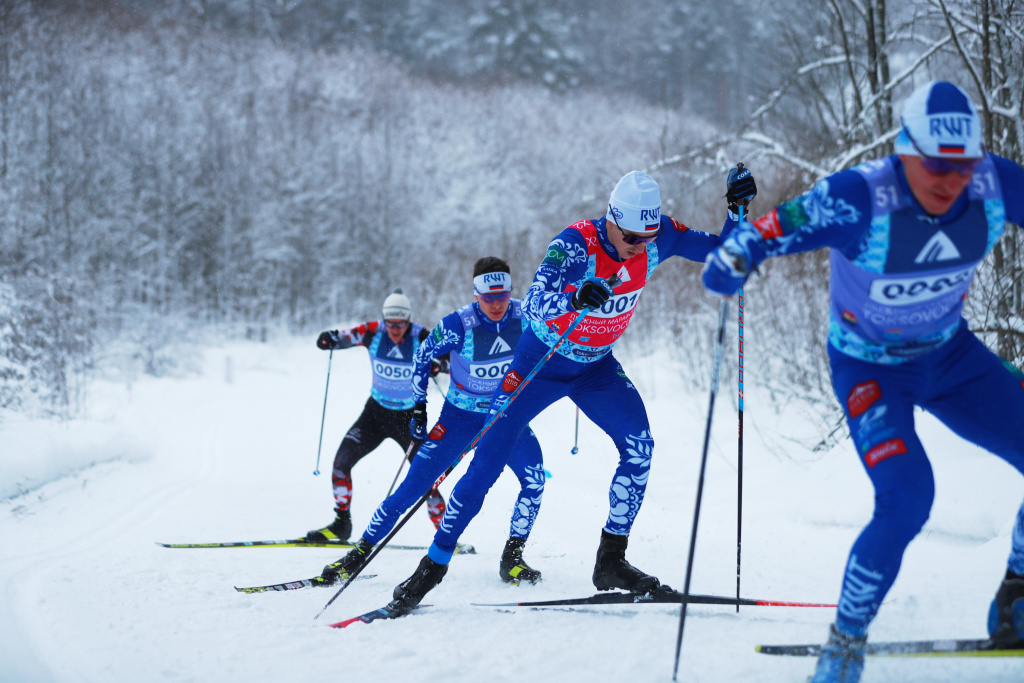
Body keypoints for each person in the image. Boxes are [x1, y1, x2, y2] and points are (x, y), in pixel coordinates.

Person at [701, 81, 1024, 683]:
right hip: (871, 368)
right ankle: (843, 647)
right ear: (905, 150)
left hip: (952, 358)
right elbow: (772, 229)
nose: (950, 180)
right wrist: (737, 252)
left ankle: (1017, 593)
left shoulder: (995, 186)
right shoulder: (861, 198)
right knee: (908, 497)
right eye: (934, 164)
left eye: (963, 166)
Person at [379, 170, 723, 614]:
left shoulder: (657, 238)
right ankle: (432, 567)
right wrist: (576, 297)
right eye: (632, 236)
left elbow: (725, 249)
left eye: (648, 236)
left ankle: (611, 561)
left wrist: (736, 213)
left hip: (595, 369)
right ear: (612, 219)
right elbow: (539, 299)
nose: (640, 246)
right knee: (484, 468)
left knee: (639, 447)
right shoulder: (574, 243)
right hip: (538, 365)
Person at [320, 257, 548, 585]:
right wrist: (419, 407)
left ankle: (512, 557)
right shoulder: (459, 324)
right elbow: (423, 356)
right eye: (488, 298)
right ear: (475, 295)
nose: (497, 304)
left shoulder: (527, 314)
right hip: (459, 419)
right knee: (412, 489)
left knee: (535, 479)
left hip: (505, 417)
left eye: (503, 296)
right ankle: (357, 554)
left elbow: (565, 331)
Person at [305, 289, 447, 543]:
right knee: (340, 465)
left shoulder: (421, 336)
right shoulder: (373, 331)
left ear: (409, 320)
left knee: (428, 479)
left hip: (408, 420)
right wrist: (329, 339)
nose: (394, 329)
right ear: (384, 320)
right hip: (375, 415)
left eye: (400, 324)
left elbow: (452, 358)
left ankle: (446, 536)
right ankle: (341, 525)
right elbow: (344, 337)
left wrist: (439, 365)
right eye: (390, 323)